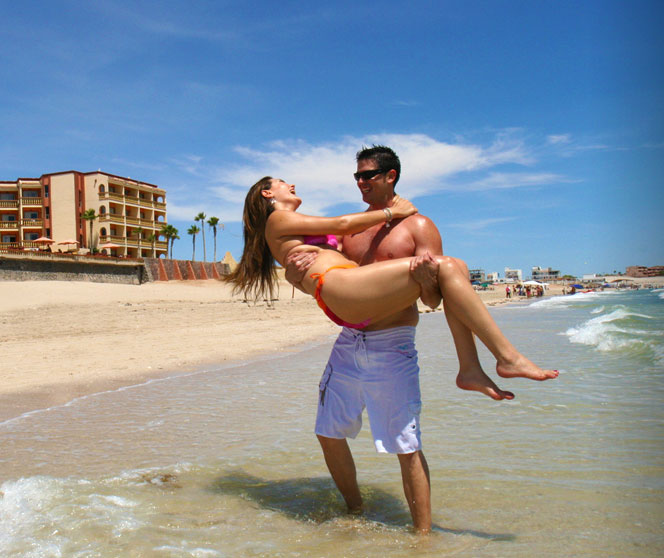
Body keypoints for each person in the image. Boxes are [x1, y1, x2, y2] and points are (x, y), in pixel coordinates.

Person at [225, 147, 557, 533]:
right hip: (350, 332)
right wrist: (293, 272)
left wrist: (424, 277)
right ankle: (355, 510)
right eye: (357, 177)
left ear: (391, 176)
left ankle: (423, 538)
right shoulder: (349, 231)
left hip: (392, 339)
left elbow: (434, 299)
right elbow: (327, 248)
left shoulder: (419, 227)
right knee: (329, 432)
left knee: (406, 444)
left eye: (368, 175)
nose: (361, 182)